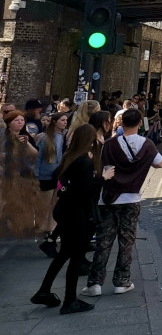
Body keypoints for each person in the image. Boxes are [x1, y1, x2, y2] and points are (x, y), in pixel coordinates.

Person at [81, 108, 162, 299]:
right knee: (126, 241)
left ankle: (94, 283)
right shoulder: (148, 145)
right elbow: (160, 164)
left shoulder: (109, 144)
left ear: (121, 123)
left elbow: (99, 164)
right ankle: (122, 281)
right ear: (140, 123)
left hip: (108, 197)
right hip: (131, 199)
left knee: (104, 241)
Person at [31, 125, 110, 315]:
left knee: (64, 254)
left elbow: (63, 183)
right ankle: (70, 300)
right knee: (75, 258)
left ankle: (43, 291)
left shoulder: (70, 157)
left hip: (65, 212)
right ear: (90, 140)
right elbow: (84, 192)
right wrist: (102, 179)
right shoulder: (84, 162)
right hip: (77, 216)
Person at [1, 110, 41, 238]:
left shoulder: (25, 136)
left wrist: (27, 143)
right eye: (16, 120)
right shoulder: (3, 136)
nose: (20, 123)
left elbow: (35, 154)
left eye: (22, 120)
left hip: (22, 175)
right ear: (8, 123)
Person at [35, 111, 69, 256]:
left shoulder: (62, 137)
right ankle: (45, 231)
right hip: (45, 175)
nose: (65, 122)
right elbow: (38, 158)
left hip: (57, 175)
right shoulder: (44, 138)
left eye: (66, 120)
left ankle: (51, 232)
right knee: (45, 204)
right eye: (62, 120)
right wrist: (35, 176)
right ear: (55, 122)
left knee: (55, 204)